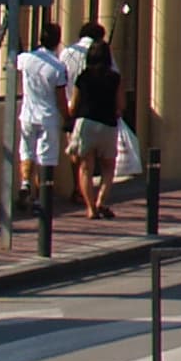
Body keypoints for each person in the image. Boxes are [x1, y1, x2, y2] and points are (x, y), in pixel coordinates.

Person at [67, 26, 122, 219]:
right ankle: (101, 202)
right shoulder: (115, 78)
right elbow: (120, 105)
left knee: (85, 167)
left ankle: (90, 208)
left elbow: (73, 104)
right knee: (108, 167)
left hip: (86, 122)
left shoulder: (84, 77)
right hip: (107, 124)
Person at [13, 21, 67, 214]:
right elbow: (61, 98)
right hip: (48, 116)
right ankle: (40, 198)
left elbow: (14, 62)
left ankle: (26, 184)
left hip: (28, 114)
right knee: (46, 157)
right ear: (58, 41)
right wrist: (67, 117)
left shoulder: (26, 59)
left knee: (26, 151)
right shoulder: (58, 67)